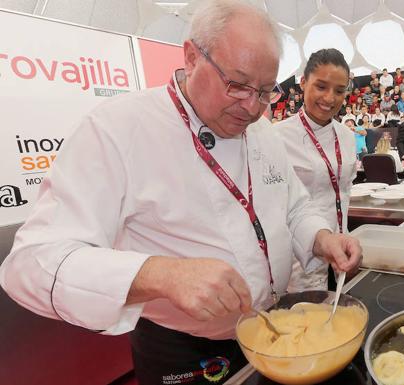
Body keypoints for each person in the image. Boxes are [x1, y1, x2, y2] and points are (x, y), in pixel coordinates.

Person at [0, 2, 363, 384]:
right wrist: (160, 274)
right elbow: (31, 262)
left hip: (271, 333)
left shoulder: (262, 132)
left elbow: (293, 208)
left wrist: (321, 237)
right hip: (184, 348)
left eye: (265, 91)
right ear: (191, 57)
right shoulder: (118, 129)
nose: (252, 107)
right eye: (237, 85)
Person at [276, 48, 358, 292]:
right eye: (321, 86)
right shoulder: (277, 137)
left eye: (339, 91)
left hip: (342, 251)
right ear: (303, 82)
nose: (330, 98)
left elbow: (343, 192)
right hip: (299, 259)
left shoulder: (347, 136)